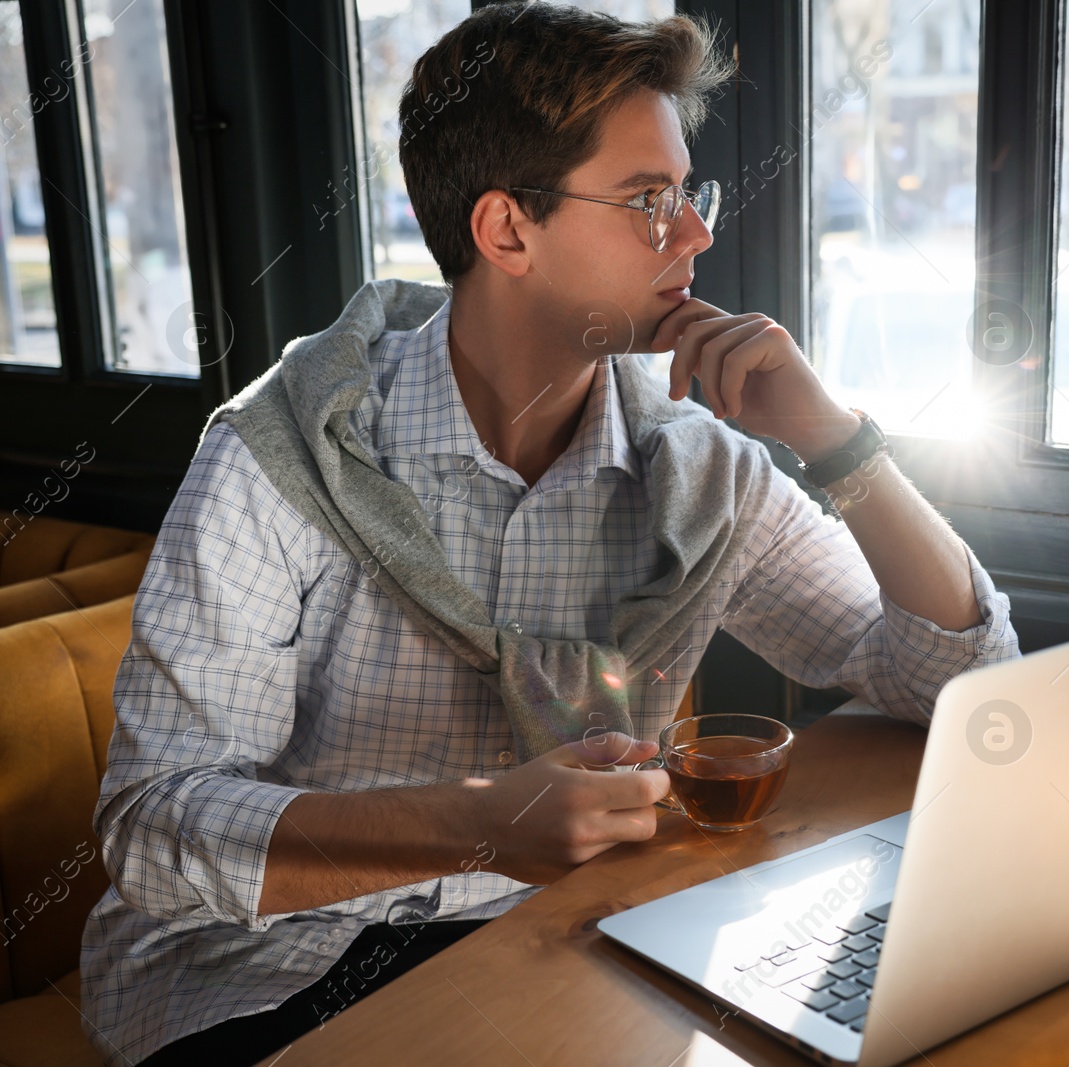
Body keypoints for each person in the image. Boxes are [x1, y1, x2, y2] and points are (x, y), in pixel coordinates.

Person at [80, 4, 1019, 1064]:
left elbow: (962, 685)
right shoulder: (282, 452)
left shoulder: (696, 470)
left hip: (554, 940)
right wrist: (479, 821)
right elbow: (155, 827)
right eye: (648, 201)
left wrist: (837, 442)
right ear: (506, 230)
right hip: (260, 972)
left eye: (687, 192)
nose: (701, 233)